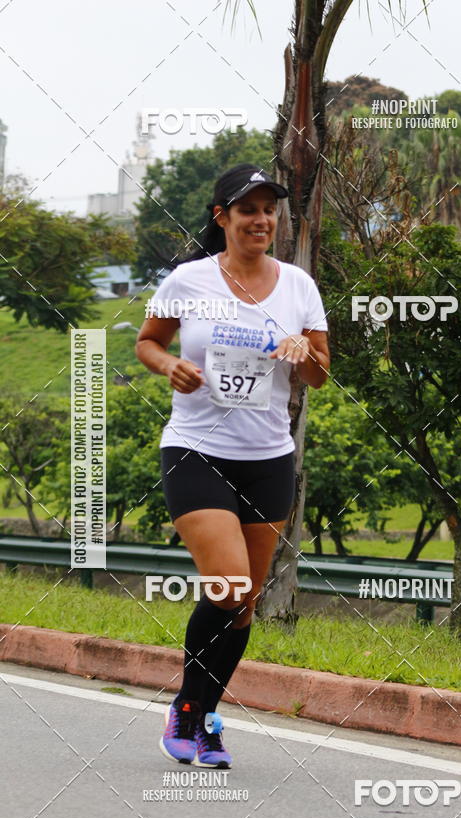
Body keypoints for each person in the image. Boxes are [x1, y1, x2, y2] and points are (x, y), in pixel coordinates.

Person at [136, 163, 330, 768]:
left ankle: (205, 718)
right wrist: (168, 367)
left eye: (270, 209)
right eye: (248, 209)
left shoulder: (298, 285)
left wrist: (303, 354)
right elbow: (148, 341)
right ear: (222, 217)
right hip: (195, 450)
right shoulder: (188, 281)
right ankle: (188, 714)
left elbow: (320, 373)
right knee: (229, 585)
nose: (262, 220)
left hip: (268, 458)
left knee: (242, 605)